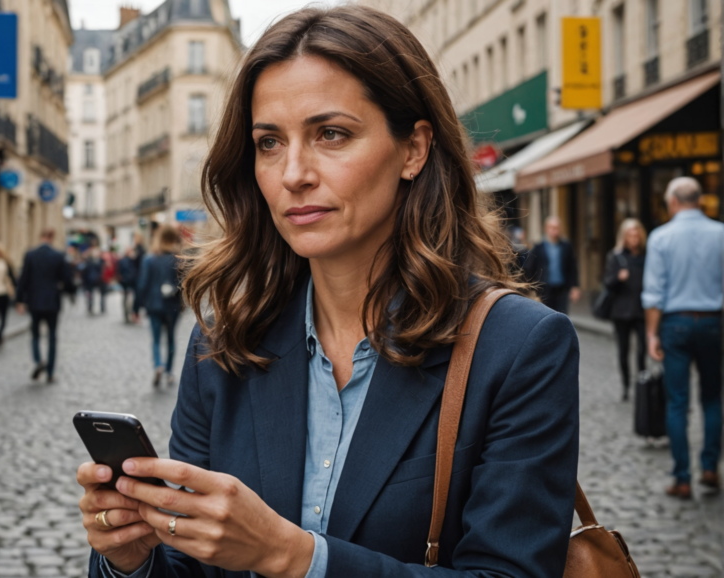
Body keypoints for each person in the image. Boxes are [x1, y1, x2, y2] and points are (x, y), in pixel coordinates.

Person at [77, 6, 579, 577]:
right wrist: (131, 559)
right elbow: (191, 564)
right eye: (269, 142)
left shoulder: (517, 347)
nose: (294, 173)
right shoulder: (224, 345)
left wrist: (292, 557)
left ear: (413, 149)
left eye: (331, 134)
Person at [642, 177, 723, 499]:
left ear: (673, 202)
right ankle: (710, 468)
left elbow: (653, 293)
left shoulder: (661, 237)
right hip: (713, 323)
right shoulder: (720, 234)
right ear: (699, 201)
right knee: (713, 398)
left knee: (678, 402)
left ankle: (682, 477)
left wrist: (651, 333)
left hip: (674, 324)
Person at [17, 230, 72, 383]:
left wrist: (19, 300)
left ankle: (38, 360)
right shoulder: (58, 255)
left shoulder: (30, 254)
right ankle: (50, 372)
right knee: (52, 337)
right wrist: (68, 290)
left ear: (41, 237)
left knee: (35, 334)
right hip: (52, 302)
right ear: (52, 238)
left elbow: (23, 279)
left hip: (34, 302)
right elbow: (67, 279)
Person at [603, 219, 647, 401]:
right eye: (630, 234)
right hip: (621, 312)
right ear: (624, 236)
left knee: (642, 351)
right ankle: (626, 386)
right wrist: (618, 278)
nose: (634, 238)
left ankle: (642, 384)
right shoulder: (616, 256)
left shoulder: (647, 256)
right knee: (623, 351)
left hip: (642, 310)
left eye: (636, 234)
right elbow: (607, 283)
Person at [136, 226, 184, 387]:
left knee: (156, 339)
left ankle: (158, 365)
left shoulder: (149, 259)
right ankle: (169, 372)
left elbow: (142, 285)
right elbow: (184, 285)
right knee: (170, 339)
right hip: (173, 305)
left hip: (154, 305)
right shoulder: (178, 260)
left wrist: (136, 307)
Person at [530, 216, 581, 314]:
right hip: (544, 289)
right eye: (552, 227)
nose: (554, 230)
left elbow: (572, 268)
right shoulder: (539, 247)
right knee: (546, 315)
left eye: (557, 228)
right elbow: (531, 268)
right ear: (546, 228)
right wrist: (531, 289)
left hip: (561, 288)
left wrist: (575, 287)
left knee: (562, 314)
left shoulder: (566, 246)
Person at [118, 248, 139, 323]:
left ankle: (130, 314)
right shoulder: (124, 261)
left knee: (130, 300)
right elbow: (121, 271)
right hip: (126, 283)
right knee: (127, 300)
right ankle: (127, 314)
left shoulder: (134, 260)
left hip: (132, 282)